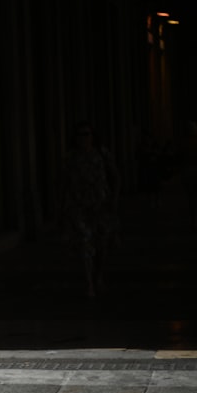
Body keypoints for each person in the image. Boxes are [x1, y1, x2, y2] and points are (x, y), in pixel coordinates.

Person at [58, 120, 121, 298]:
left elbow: (115, 176)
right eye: (80, 135)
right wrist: (62, 206)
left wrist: (114, 199)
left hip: (100, 205)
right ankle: (89, 283)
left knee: (101, 244)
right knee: (85, 242)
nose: (83, 138)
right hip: (78, 205)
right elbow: (63, 182)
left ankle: (98, 275)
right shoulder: (70, 157)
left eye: (87, 134)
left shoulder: (102, 153)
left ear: (93, 136)